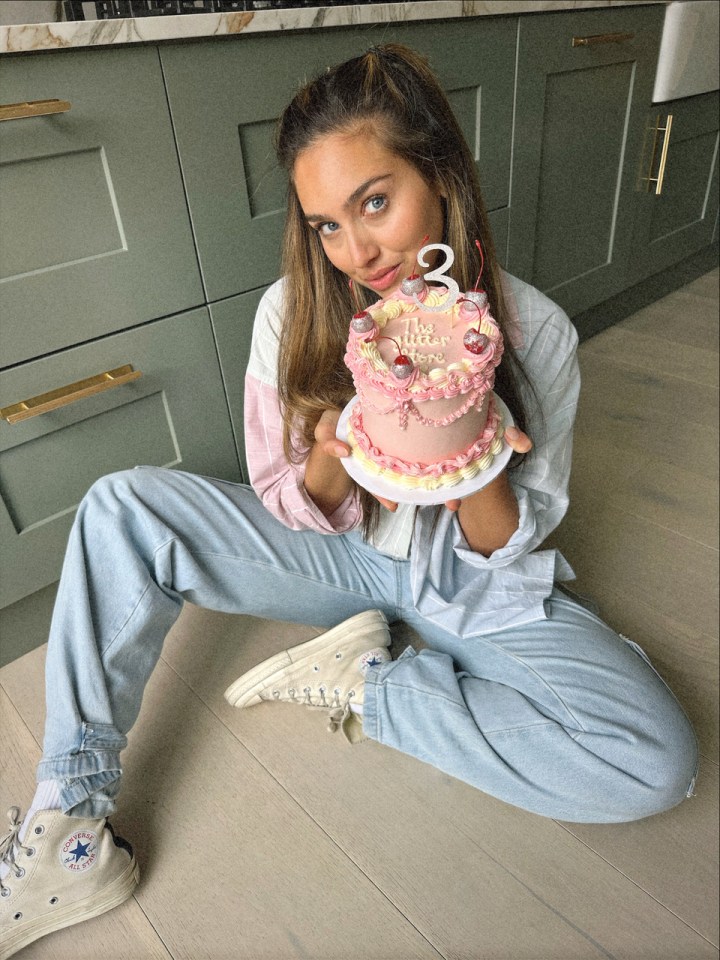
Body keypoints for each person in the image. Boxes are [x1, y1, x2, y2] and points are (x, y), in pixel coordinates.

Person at [0, 43, 698, 958]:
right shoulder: (293, 316)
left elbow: (513, 541)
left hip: (468, 583)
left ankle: (366, 685)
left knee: (656, 761)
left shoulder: (537, 337)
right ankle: (69, 824)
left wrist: (472, 450)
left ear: (441, 176)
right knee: (121, 505)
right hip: (334, 555)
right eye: (327, 223)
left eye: (375, 201)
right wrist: (331, 458)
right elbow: (286, 499)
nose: (357, 249)